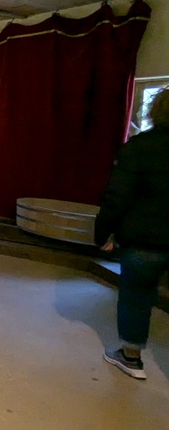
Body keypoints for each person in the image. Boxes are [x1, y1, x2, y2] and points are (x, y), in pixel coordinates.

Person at [95, 86, 169, 380]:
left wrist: (103, 233)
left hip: (145, 238)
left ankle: (131, 357)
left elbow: (117, 196)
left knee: (136, 295)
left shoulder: (140, 147)